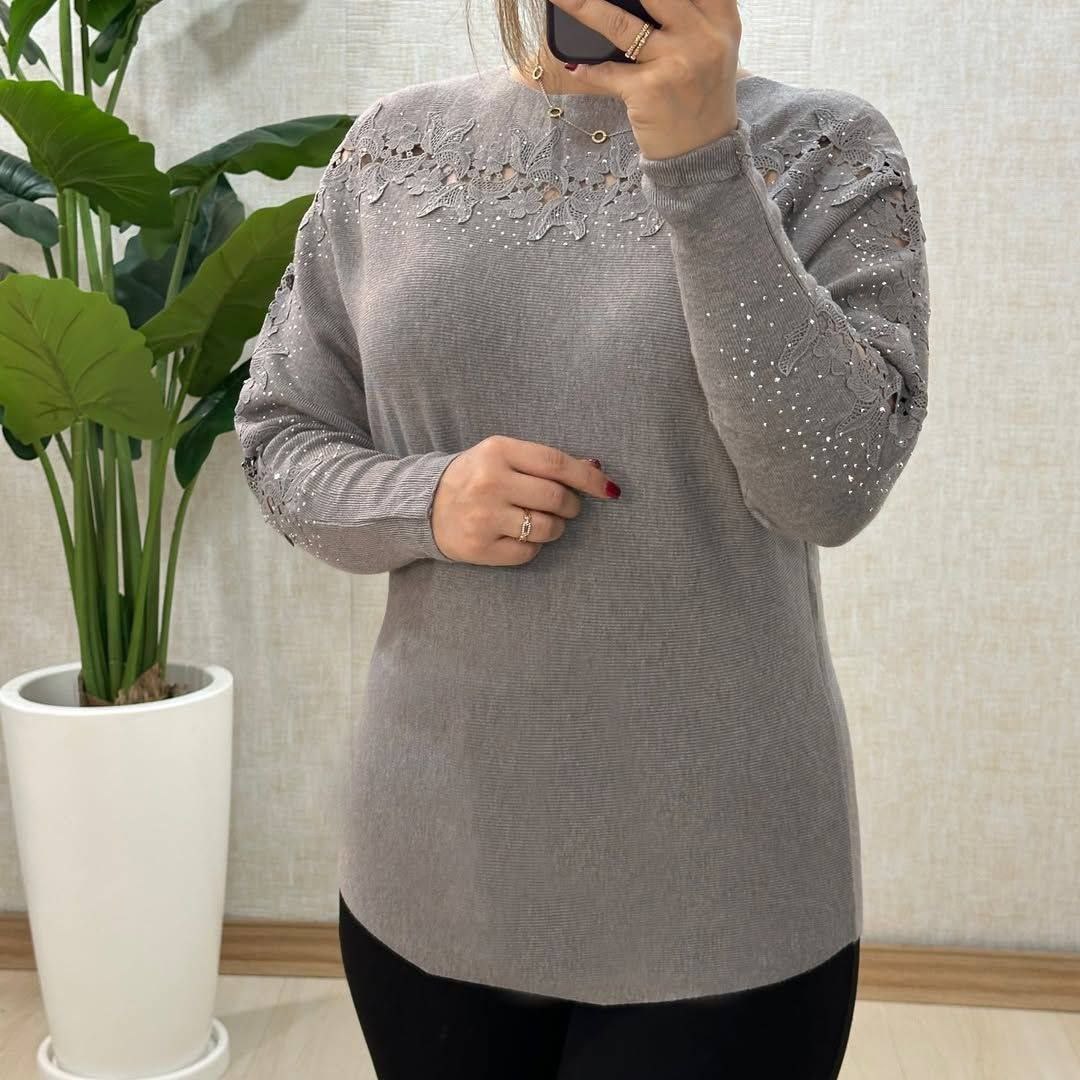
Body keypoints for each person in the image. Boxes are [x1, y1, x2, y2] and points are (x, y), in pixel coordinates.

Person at [234, 0, 929, 1074]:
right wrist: (424, 500)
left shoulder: (828, 154)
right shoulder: (391, 150)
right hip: (429, 862)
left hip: (722, 885)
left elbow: (828, 488)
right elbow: (279, 436)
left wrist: (702, 164)